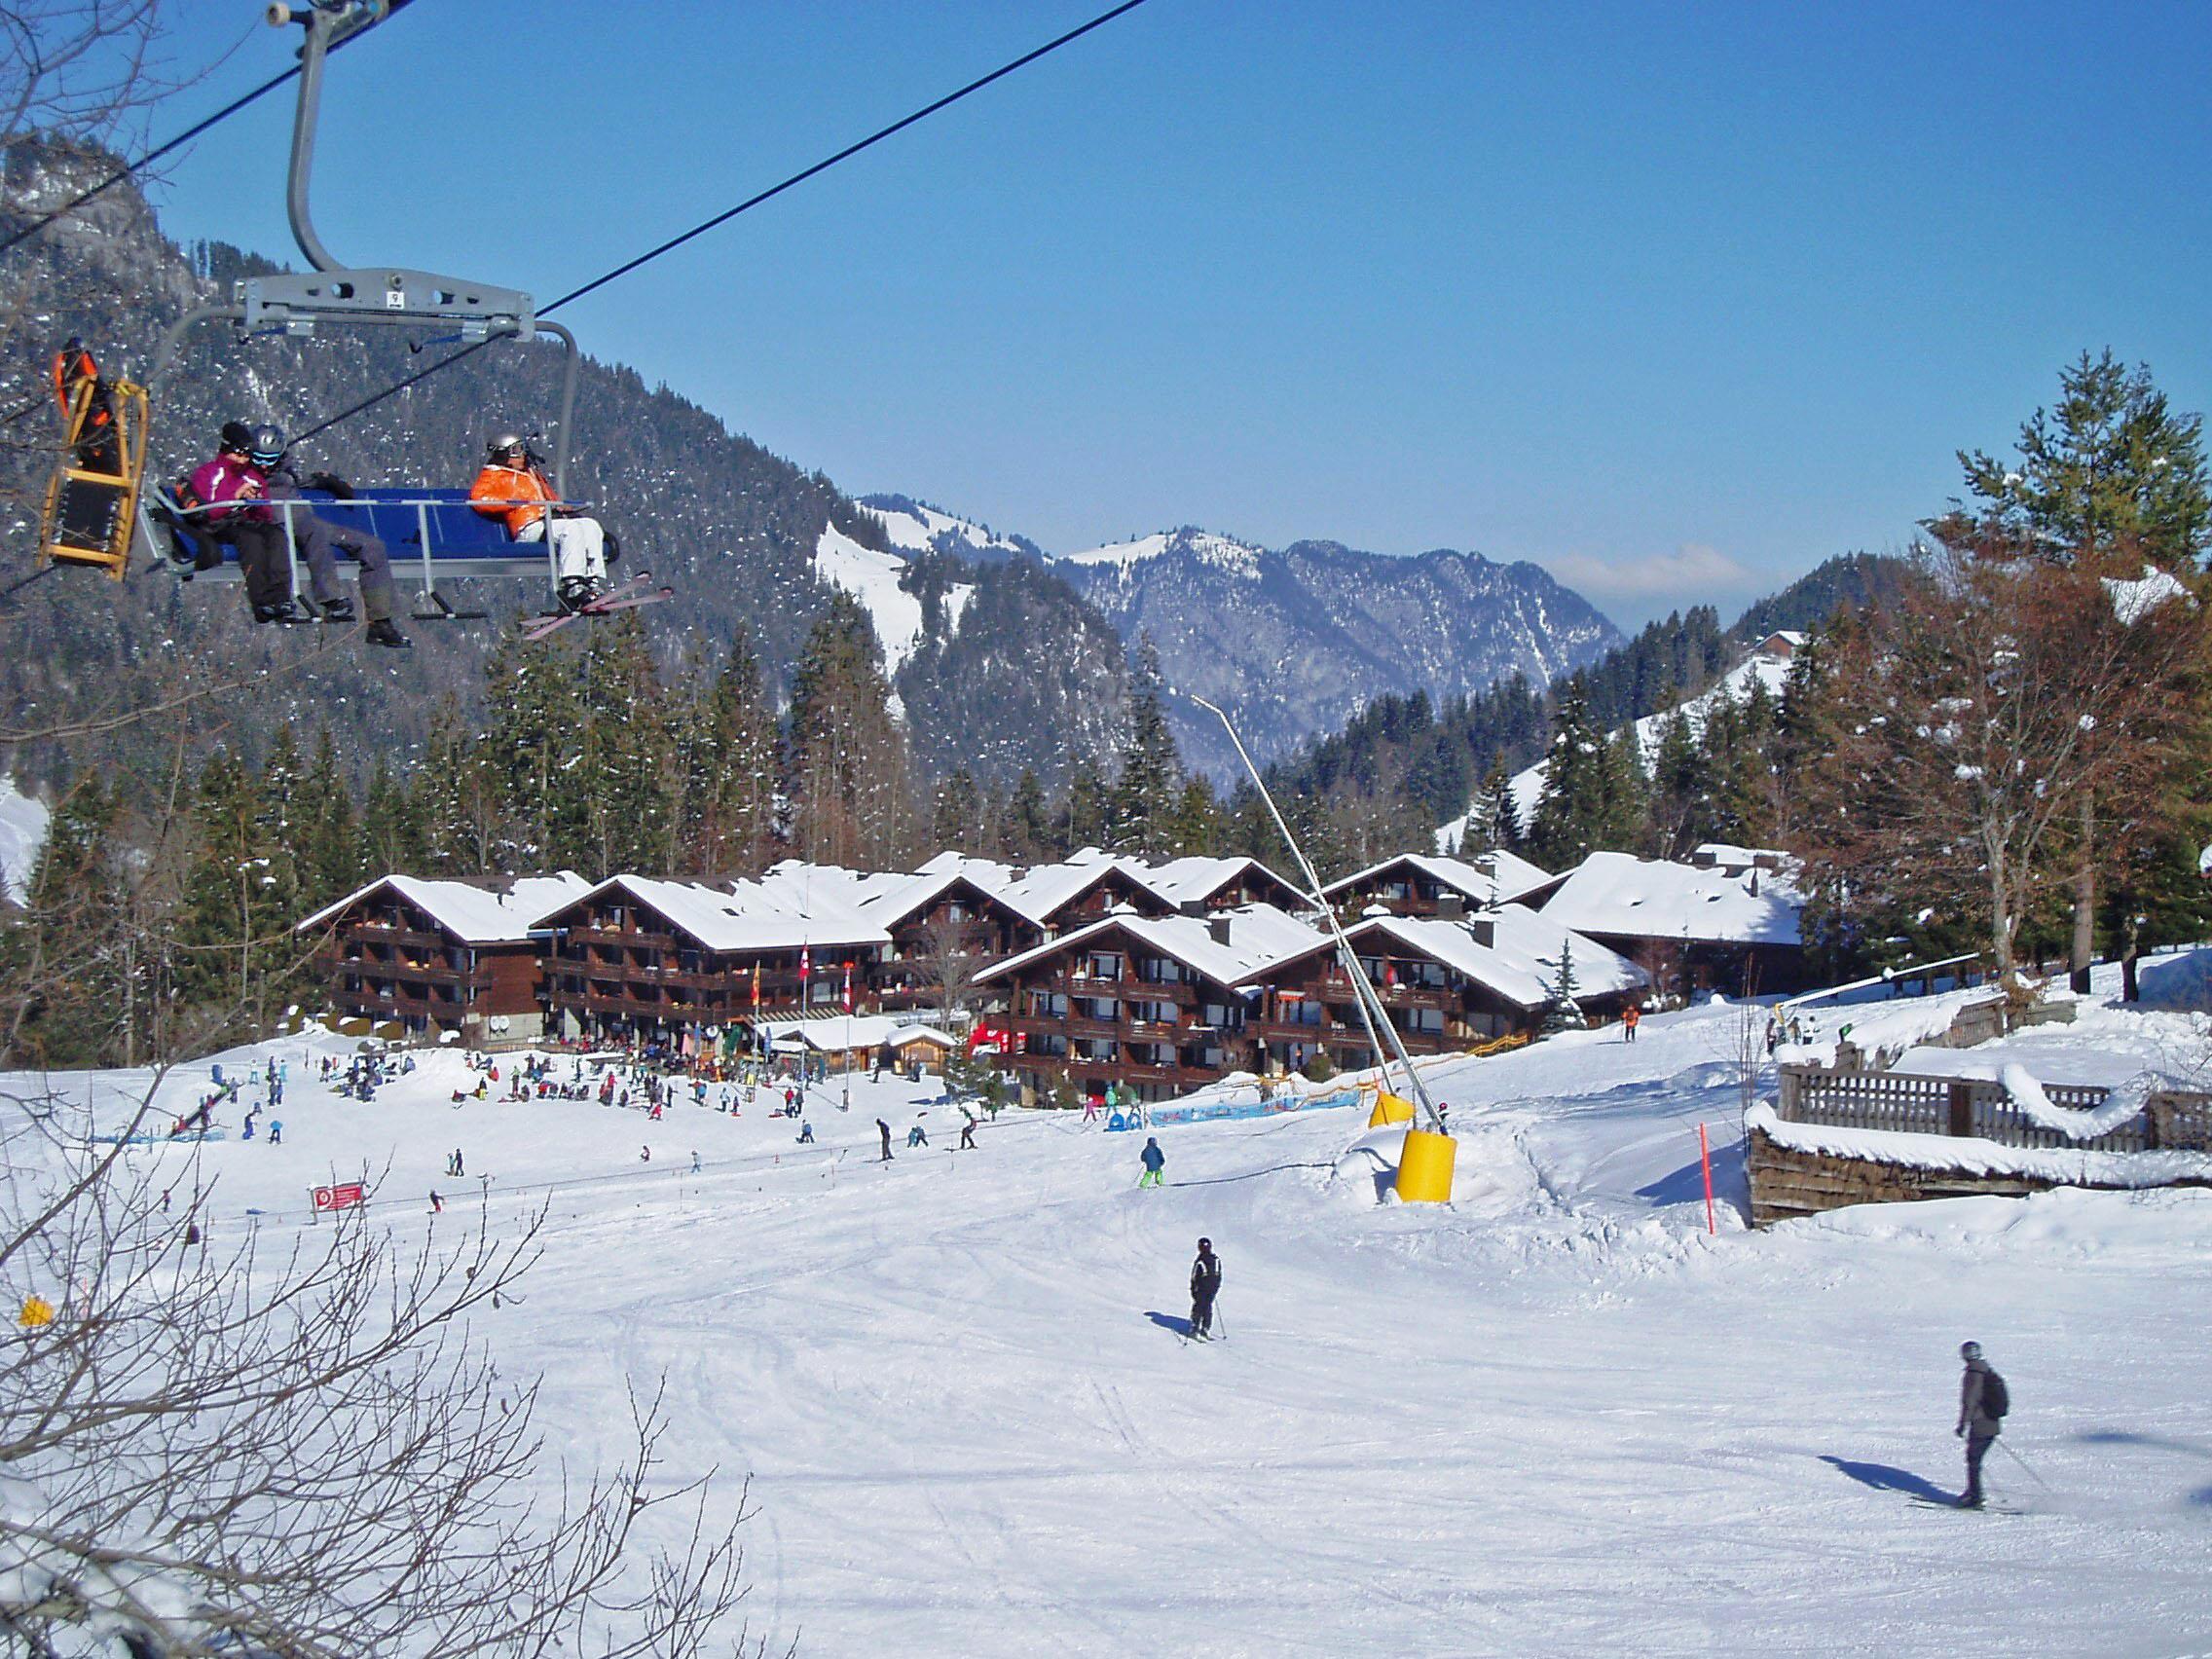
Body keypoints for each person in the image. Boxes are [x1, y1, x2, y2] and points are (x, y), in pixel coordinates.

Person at [246, 426, 409, 647]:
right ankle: (323, 598)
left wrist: (329, 482)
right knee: (311, 537)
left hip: (303, 520)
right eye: (259, 459)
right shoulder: (243, 476)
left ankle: (380, 622)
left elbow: (304, 481)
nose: (264, 465)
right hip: (273, 526)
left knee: (373, 547)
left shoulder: (287, 473)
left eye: (271, 459)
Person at [469, 432, 613, 612]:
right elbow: (479, 499)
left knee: (590, 525)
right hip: (529, 527)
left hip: (548, 521)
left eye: (522, 449)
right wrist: (512, 502)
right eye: (516, 450)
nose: (522, 454)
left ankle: (592, 579)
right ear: (502, 454)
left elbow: (548, 496)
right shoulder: (494, 475)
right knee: (571, 529)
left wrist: (561, 508)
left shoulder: (530, 473)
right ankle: (571, 583)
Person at [188, 421, 296, 622]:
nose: (243, 460)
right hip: (217, 525)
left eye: (247, 456)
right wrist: (235, 497)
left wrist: (255, 504)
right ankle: (262, 602)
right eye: (239, 454)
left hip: (242, 521)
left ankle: (280, 597)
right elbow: (208, 510)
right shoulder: (210, 473)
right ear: (227, 451)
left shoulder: (252, 477)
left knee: (276, 535)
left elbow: (266, 515)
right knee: (251, 539)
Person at [1955, 1340, 2006, 1508]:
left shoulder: (1974, 1374)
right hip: (1992, 1423)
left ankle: (1975, 1496)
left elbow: (1970, 1401)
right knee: (1974, 1458)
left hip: (1981, 1424)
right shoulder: (1986, 1370)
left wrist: (1963, 1424)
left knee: (1973, 1459)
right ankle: (1973, 1491)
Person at [1190, 1237, 1222, 1339]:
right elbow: (1219, 1275)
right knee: (1208, 1308)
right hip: (1212, 1288)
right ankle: (1205, 1328)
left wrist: (1193, 1290)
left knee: (1198, 1308)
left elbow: (1194, 1277)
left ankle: (1195, 1328)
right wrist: (1216, 1287)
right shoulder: (1216, 1260)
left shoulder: (1199, 1261)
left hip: (1201, 1289)